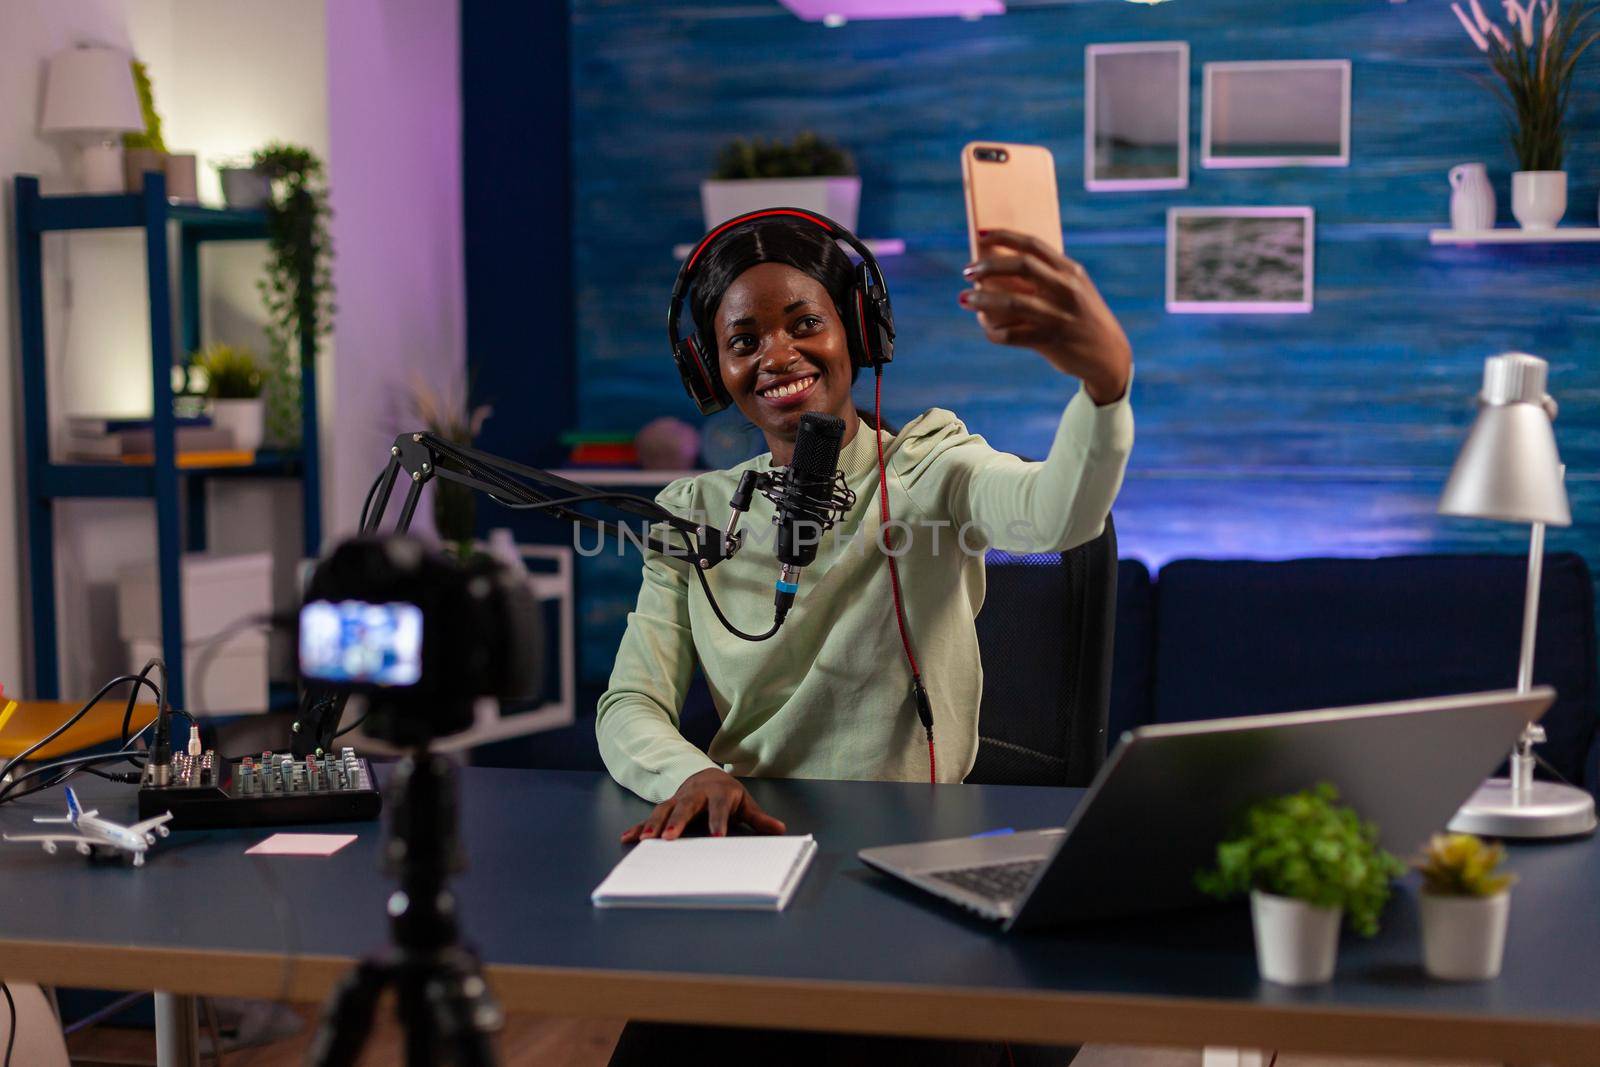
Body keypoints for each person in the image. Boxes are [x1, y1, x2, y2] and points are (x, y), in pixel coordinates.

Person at [598, 214, 1133, 1065]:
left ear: (857, 329)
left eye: (804, 322)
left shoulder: (934, 466)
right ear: (711, 368)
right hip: (754, 858)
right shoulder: (691, 514)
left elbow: (1057, 512)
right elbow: (631, 702)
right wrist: (692, 770)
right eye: (744, 339)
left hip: (906, 864)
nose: (778, 354)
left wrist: (1104, 388)